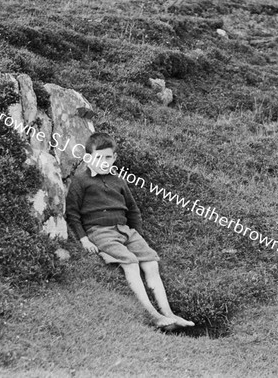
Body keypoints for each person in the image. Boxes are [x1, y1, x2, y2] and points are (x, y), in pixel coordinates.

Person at [65, 132, 194, 330]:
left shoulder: (119, 181)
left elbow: (133, 210)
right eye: (99, 157)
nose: (104, 161)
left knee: (151, 262)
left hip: (125, 230)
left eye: (108, 157)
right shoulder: (81, 181)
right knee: (131, 262)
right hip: (100, 231)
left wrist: (137, 234)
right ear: (89, 158)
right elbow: (73, 214)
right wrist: (84, 239)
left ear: (114, 158)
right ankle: (153, 315)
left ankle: (169, 313)